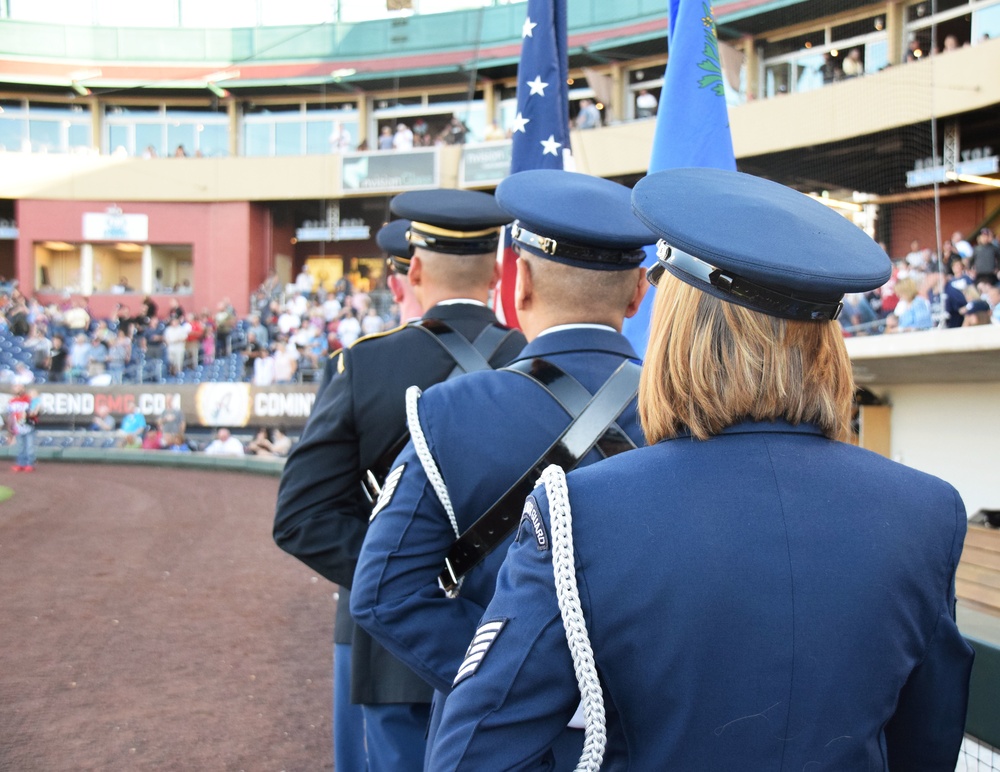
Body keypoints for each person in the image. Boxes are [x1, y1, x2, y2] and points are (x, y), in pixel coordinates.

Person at [428, 168, 974, 770]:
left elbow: (473, 756)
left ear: (677, 330)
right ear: (827, 343)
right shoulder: (927, 511)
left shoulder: (583, 512)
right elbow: (928, 744)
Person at [350, 170, 653, 769]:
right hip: (652, 732)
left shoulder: (448, 413)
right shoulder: (696, 409)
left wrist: (518, 687)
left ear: (519, 282)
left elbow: (385, 594)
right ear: (638, 291)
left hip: (500, 743)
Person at [273, 193, 526, 772]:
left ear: (413, 269)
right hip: (508, 632)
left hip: (395, 648)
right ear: (497, 271)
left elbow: (301, 517)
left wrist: (407, 576)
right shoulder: (536, 361)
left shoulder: (364, 364)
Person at [7, 383, 39, 472]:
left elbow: (36, 409)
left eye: (19, 387)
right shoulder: (12, 401)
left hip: (28, 426)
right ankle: (20, 464)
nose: (16, 389)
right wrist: (10, 429)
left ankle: (29, 464)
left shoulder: (28, 399)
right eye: (15, 387)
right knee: (20, 447)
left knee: (29, 447)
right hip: (18, 427)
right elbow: (10, 416)